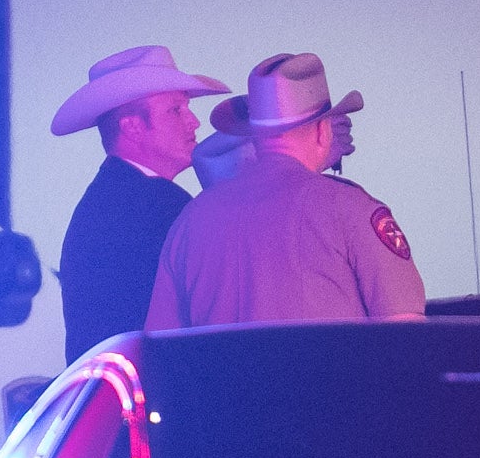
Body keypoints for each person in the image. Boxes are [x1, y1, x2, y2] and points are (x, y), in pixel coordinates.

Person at [148, 54, 428, 328]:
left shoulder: (192, 219)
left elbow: (160, 344)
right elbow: (404, 336)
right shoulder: (351, 209)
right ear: (323, 131)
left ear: (254, 138)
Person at [50, 44, 232, 359]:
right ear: (132, 127)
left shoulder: (112, 198)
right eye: (175, 110)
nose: (194, 122)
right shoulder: (158, 205)